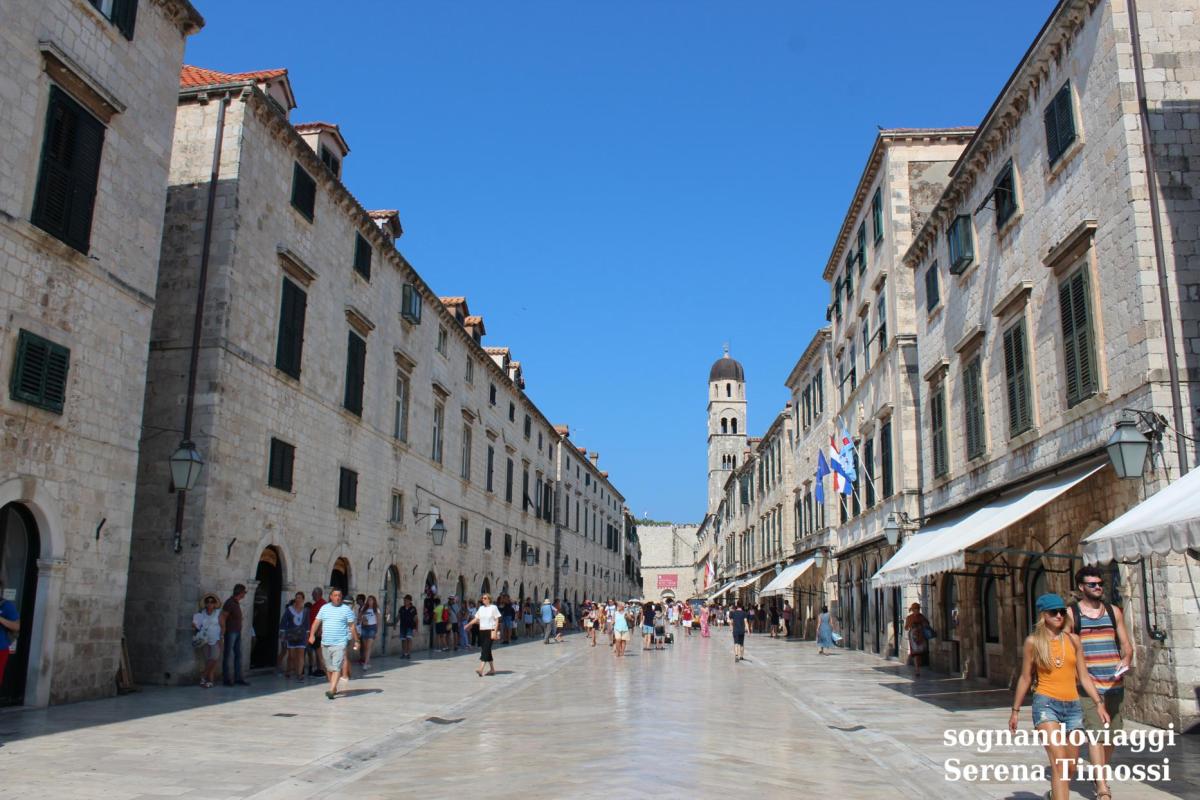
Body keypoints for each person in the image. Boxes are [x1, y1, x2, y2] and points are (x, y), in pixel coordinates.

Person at [1010, 593, 1110, 800]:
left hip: (1073, 707)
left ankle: (1054, 795)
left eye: (1062, 612)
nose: (1058, 616)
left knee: (1070, 766)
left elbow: (1083, 676)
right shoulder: (1033, 642)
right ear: (1043, 615)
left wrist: (1098, 703)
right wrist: (1015, 711)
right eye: (1053, 612)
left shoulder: (1073, 641)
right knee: (1059, 760)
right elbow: (1025, 677)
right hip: (1046, 705)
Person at [1067, 566, 1132, 800]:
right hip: (1087, 684)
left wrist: (1127, 657)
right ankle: (1102, 786)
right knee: (1096, 734)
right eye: (1092, 584)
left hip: (1114, 682)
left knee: (1111, 736)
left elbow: (1126, 643)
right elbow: (1066, 647)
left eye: (1100, 584)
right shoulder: (1072, 614)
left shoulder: (1114, 612)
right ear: (1081, 587)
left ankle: (1099, 771)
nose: (1098, 587)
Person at [309, 588, 359, 700]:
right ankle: (334, 686)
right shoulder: (324, 608)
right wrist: (312, 635)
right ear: (331, 596)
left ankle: (331, 690)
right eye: (335, 595)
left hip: (340, 643)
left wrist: (356, 640)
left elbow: (352, 626)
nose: (337, 597)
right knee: (328, 668)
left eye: (339, 595)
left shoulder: (346, 610)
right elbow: (317, 622)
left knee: (336, 667)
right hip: (326, 642)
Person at [219, 584, 249, 687]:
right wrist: (223, 629)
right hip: (230, 632)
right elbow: (222, 616)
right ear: (240, 592)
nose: (245, 594)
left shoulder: (235, 603)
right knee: (228, 655)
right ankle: (226, 679)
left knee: (238, 655)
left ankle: (238, 678)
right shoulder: (230, 603)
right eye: (244, 592)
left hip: (237, 632)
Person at [464, 593, 501, 676]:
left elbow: (497, 619)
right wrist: (468, 624)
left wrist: (495, 631)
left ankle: (481, 669)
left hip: (490, 630)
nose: (483, 599)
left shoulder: (493, 607)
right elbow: (476, 618)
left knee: (485, 649)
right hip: (482, 630)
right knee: (486, 649)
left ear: (489, 599)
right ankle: (492, 669)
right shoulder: (481, 608)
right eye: (482, 598)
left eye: (485, 598)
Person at [191, 594, 221, 688]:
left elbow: (223, 626)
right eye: (208, 602)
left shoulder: (219, 613)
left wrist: (222, 637)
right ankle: (210, 681)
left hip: (216, 639)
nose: (210, 603)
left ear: (215, 604)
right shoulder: (201, 614)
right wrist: (195, 626)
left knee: (214, 659)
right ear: (205, 603)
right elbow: (197, 626)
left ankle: (203, 675)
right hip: (204, 640)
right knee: (208, 660)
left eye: (212, 602)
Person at [279, 592, 308, 682]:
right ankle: (289, 670)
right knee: (291, 655)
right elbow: (283, 621)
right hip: (291, 635)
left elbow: (307, 623)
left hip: (301, 635)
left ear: (303, 599)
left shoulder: (306, 611)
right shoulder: (289, 610)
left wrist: (308, 634)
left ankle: (299, 674)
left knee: (300, 655)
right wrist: (282, 633)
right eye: (296, 597)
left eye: (300, 598)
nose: (298, 599)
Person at [904, 603, 930, 678]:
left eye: (918, 609)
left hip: (921, 636)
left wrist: (922, 624)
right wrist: (911, 625)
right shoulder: (909, 617)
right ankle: (917, 670)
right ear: (912, 610)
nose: (917, 610)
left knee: (920, 653)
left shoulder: (921, 617)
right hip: (913, 637)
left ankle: (918, 667)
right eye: (915, 609)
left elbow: (927, 624)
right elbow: (906, 628)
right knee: (916, 654)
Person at [308, 587, 326, 676]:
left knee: (319, 652)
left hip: (319, 633)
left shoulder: (323, 604)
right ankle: (319, 669)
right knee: (316, 651)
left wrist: (320, 629)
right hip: (314, 632)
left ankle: (323, 670)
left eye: (313, 594)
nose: (312, 595)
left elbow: (324, 618)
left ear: (318, 594)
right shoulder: (316, 604)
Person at [358, 595, 379, 669]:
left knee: (369, 647)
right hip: (364, 628)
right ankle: (367, 661)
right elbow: (359, 617)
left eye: (371, 600)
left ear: (374, 601)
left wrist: (376, 631)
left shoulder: (376, 609)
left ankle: (365, 664)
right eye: (368, 600)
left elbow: (377, 620)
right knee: (365, 646)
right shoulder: (364, 608)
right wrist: (363, 620)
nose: (369, 601)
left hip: (372, 628)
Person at [398, 594, 418, 659]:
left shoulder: (413, 609)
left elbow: (416, 618)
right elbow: (398, 616)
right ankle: (404, 653)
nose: (405, 602)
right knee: (403, 640)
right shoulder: (402, 608)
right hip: (403, 626)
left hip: (410, 626)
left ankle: (408, 653)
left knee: (409, 639)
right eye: (404, 600)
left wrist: (416, 628)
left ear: (409, 601)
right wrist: (395, 623)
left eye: (406, 600)